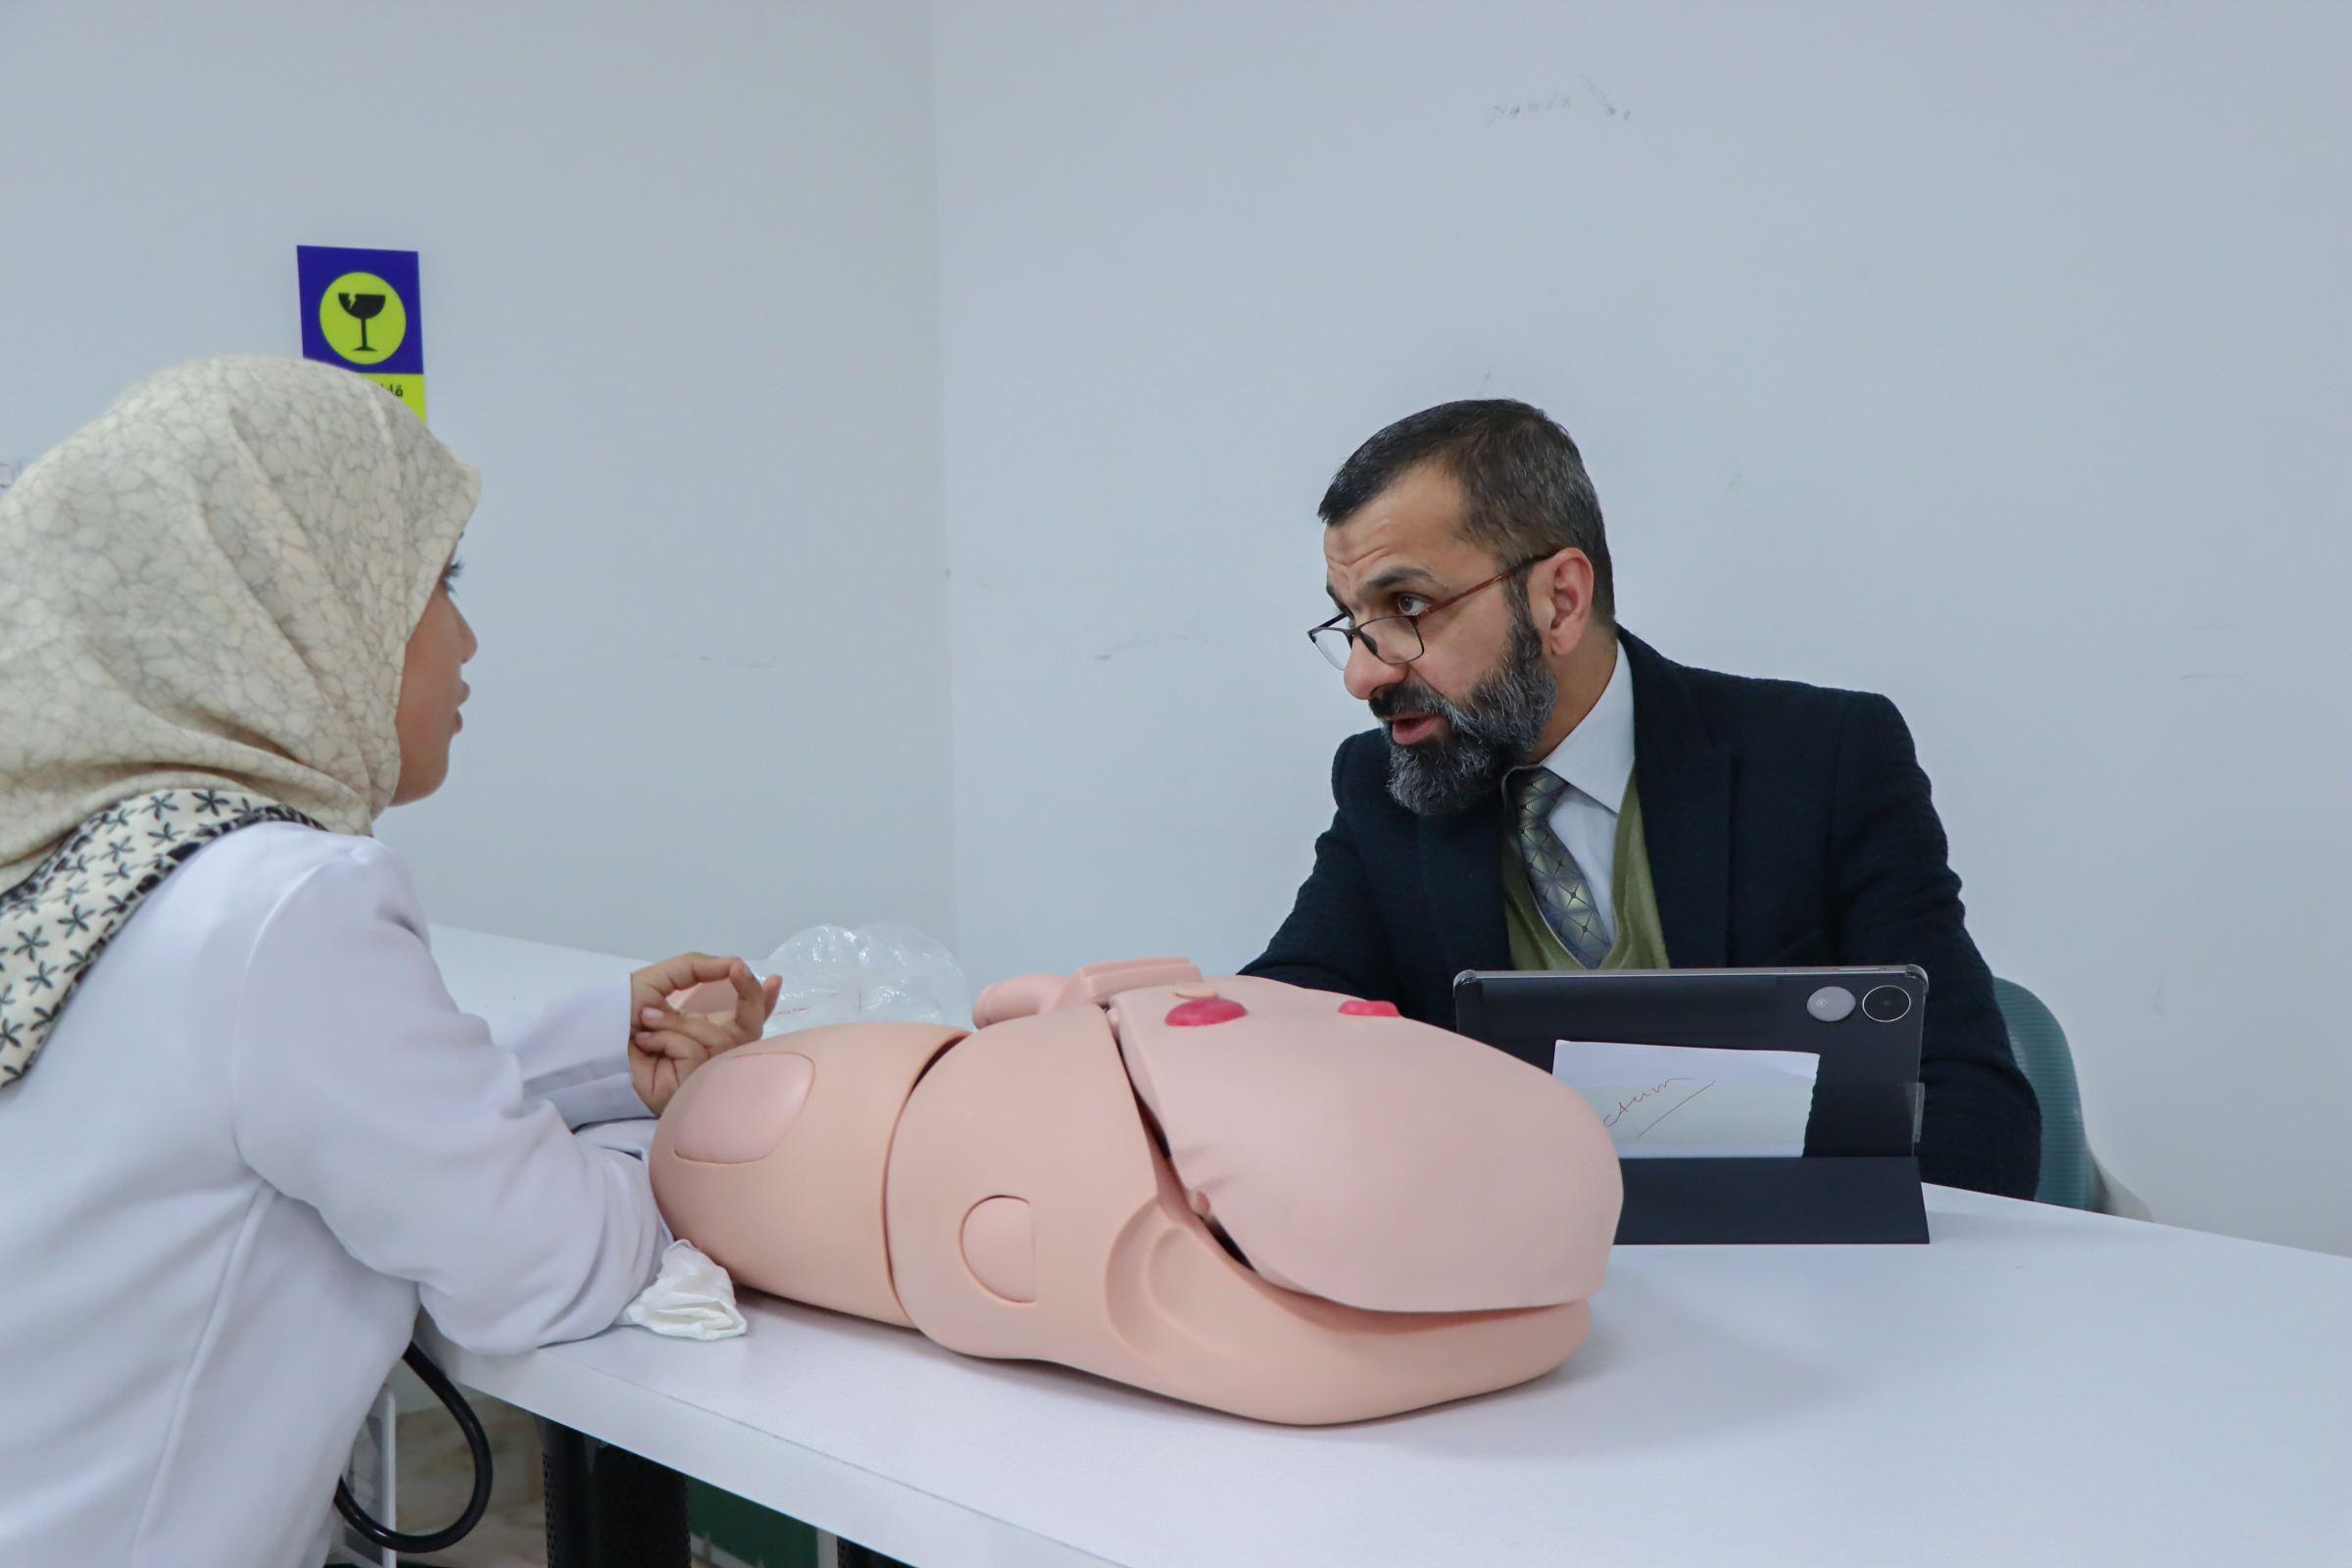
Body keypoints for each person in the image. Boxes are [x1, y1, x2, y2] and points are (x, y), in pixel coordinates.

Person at [0, 357, 778, 1568]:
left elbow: (261, 1119)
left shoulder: (95, 869)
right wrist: (689, 1136)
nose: (465, 640)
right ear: (297, 601)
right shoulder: (278, 897)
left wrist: (599, 1057)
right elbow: (546, 1267)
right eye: (440, 581)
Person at [1244, 400, 2039, 1198]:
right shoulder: (1384, 789)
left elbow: (1967, 1097)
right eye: (1352, 619)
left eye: (1408, 607)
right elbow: (1284, 1026)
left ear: (1559, 600)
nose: (1364, 674)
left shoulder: (1822, 761)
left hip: (1798, 1253)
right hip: (1521, 1263)